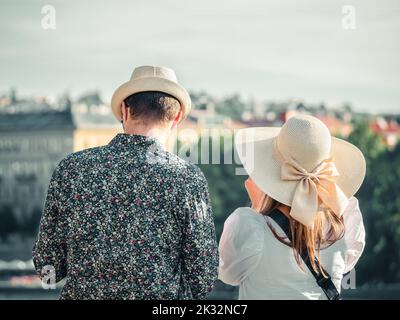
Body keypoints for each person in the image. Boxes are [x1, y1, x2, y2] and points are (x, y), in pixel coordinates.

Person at [33, 65, 219, 299]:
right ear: (178, 116)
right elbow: (202, 278)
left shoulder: (72, 168)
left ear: (124, 110)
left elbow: (47, 266)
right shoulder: (187, 178)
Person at [219, 114, 366, 300]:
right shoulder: (344, 221)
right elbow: (347, 262)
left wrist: (258, 207)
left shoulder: (249, 226)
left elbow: (228, 273)